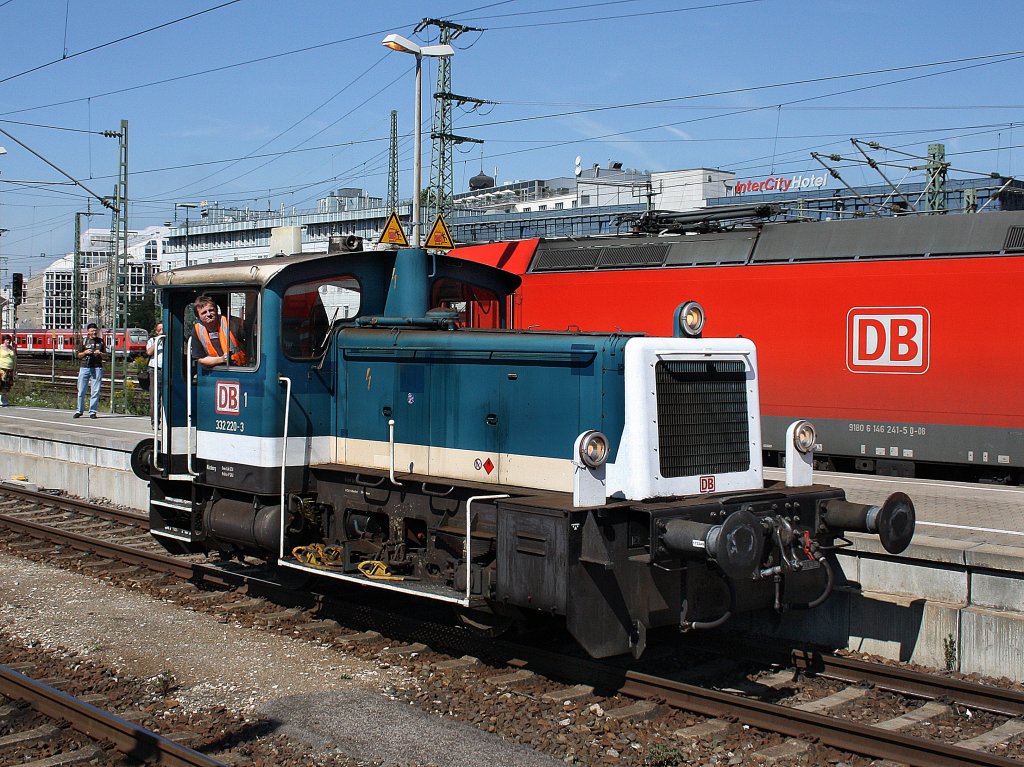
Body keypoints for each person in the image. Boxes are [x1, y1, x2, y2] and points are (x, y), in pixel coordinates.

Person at [191, 296, 247, 368]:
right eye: (204, 312)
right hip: (214, 372)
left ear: (216, 310)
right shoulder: (197, 330)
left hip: (240, 369)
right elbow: (201, 359)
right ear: (198, 317)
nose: (208, 314)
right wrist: (222, 359)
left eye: (211, 310)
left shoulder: (231, 322)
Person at [74, 323, 106, 418]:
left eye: (95, 330)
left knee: (95, 391)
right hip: (84, 367)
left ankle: (92, 412)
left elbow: (106, 355)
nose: (94, 332)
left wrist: (100, 353)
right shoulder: (84, 341)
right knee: (81, 390)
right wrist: (85, 352)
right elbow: (78, 355)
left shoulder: (101, 341)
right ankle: (79, 410)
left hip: (97, 368)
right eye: (92, 330)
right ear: (88, 331)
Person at [0, 334, 17, 407]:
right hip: (1, 369)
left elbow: (15, 360)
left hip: (10, 369)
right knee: (1, 384)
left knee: (7, 386)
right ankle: (1, 401)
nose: (8, 341)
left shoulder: (12, 349)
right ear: (3, 340)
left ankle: (4, 400)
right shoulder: (0, 348)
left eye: (9, 340)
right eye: (7, 340)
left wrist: (15, 369)